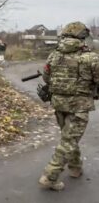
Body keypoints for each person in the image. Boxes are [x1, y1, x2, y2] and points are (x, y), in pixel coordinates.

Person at [38, 21, 99, 190]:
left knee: (69, 138)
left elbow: (46, 78)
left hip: (59, 104)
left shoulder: (54, 55)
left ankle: (75, 167)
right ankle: (50, 176)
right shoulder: (91, 57)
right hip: (79, 106)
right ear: (82, 37)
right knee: (69, 140)